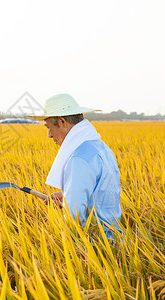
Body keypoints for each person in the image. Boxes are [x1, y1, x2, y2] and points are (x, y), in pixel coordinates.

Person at [28, 94, 122, 239]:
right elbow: (101, 194)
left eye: (49, 127)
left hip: (97, 245)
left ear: (62, 121)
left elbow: (74, 218)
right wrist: (68, 197)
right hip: (116, 239)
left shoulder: (78, 157)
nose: (49, 135)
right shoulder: (101, 147)